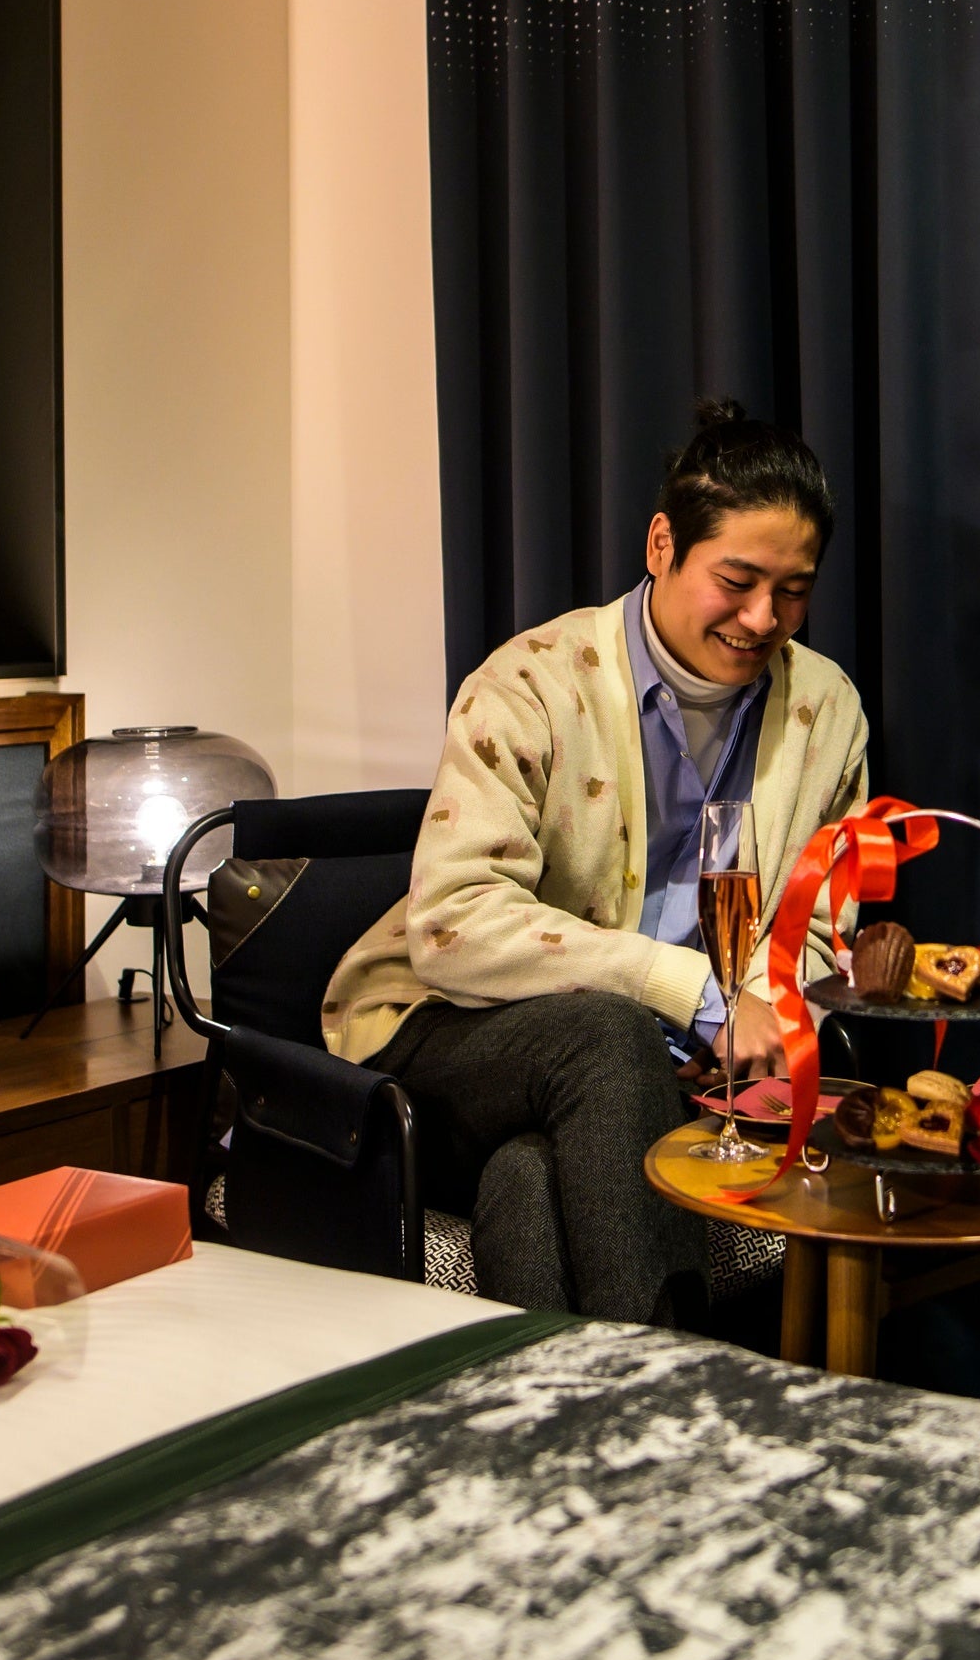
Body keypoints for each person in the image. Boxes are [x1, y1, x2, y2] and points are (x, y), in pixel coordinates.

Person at [318, 400, 872, 1322]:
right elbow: (452, 925)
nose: (763, 617)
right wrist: (694, 997)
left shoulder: (828, 712)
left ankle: (585, 1410)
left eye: (794, 590)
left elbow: (820, 930)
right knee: (609, 1035)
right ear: (662, 545)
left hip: (663, 1080)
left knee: (526, 1180)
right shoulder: (531, 683)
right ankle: (676, 1376)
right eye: (736, 581)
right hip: (449, 1034)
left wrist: (758, 1023)